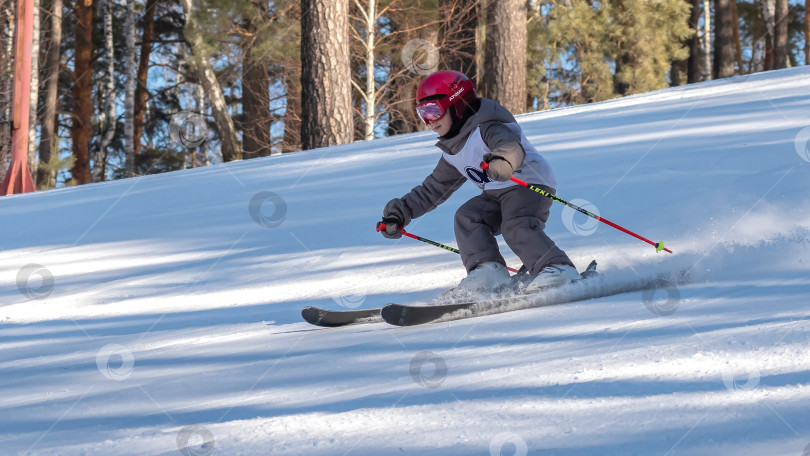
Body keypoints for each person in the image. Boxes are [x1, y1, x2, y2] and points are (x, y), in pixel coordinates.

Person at [378, 70, 578, 295]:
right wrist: (400, 213)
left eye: (433, 110)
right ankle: (488, 270)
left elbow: (510, 146)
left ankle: (559, 269)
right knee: (467, 217)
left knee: (516, 224)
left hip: (527, 183)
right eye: (422, 113)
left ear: (457, 104)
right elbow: (432, 190)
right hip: (496, 192)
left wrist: (502, 160)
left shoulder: (487, 127)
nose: (428, 121)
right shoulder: (454, 150)